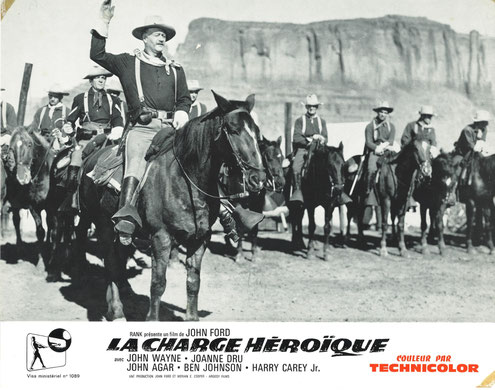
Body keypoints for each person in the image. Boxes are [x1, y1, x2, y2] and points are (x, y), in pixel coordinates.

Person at [90, 1, 192, 244]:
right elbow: (98, 55)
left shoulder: (175, 70)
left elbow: (185, 99)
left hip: (170, 130)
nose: (162, 39)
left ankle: (225, 210)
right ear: (144, 37)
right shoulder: (127, 63)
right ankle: (126, 216)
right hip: (142, 130)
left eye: (164, 36)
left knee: (196, 159)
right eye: (157, 34)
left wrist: (182, 112)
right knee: (135, 157)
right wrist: (104, 22)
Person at [63, 65, 124, 199]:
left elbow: (118, 118)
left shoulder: (113, 99)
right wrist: (68, 126)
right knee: (76, 160)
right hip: (86, 140)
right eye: (97, 78)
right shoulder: (80, 98)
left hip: (108, 138)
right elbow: (71, 119)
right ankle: (70, 200)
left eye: (103, 78)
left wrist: (118, 127)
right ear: (90, 81)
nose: (101, 80)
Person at [362, 101, 396, 224]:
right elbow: (368, 142)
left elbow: (391, 140)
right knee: (371, 168)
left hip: (387, 150)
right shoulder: (370, 126)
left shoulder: (391, 126)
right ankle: (368, 190)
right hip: (375, 151)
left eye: (386, 112)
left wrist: (386, 146)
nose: (383, 114)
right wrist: (376, 148)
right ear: (377, 112)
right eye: (381, 111)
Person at [290, 94, 328, 202]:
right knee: (295, 168)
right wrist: (309, 139)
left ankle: (333, 190)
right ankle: (297, 192)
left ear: (317, 107)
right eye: (309, 106)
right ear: (306, 107)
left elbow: (326, 138)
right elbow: (296, 137)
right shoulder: (300, 121)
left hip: (319, 149)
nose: (312, 108)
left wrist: (321, 138)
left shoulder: (322, 122)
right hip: (304, 149)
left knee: (332, 163)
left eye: (314, 106)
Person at [453, 109, 491, 184]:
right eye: (485, 122)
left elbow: (482, 143)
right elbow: (471, 146)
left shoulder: (484, 129)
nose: (487, 124)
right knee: (456, 171)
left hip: (476, 152)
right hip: (463, 154)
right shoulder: (467, 130)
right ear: (479, 122)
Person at [30, 86, 71, 150]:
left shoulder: (67, 112)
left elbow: (70, 131)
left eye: (55, 97)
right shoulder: (41, 111)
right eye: (51, 96)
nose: (52, 99)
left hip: (60, 145)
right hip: (42, 144)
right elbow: (34, 129)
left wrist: (62, 135)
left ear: (60, 97)